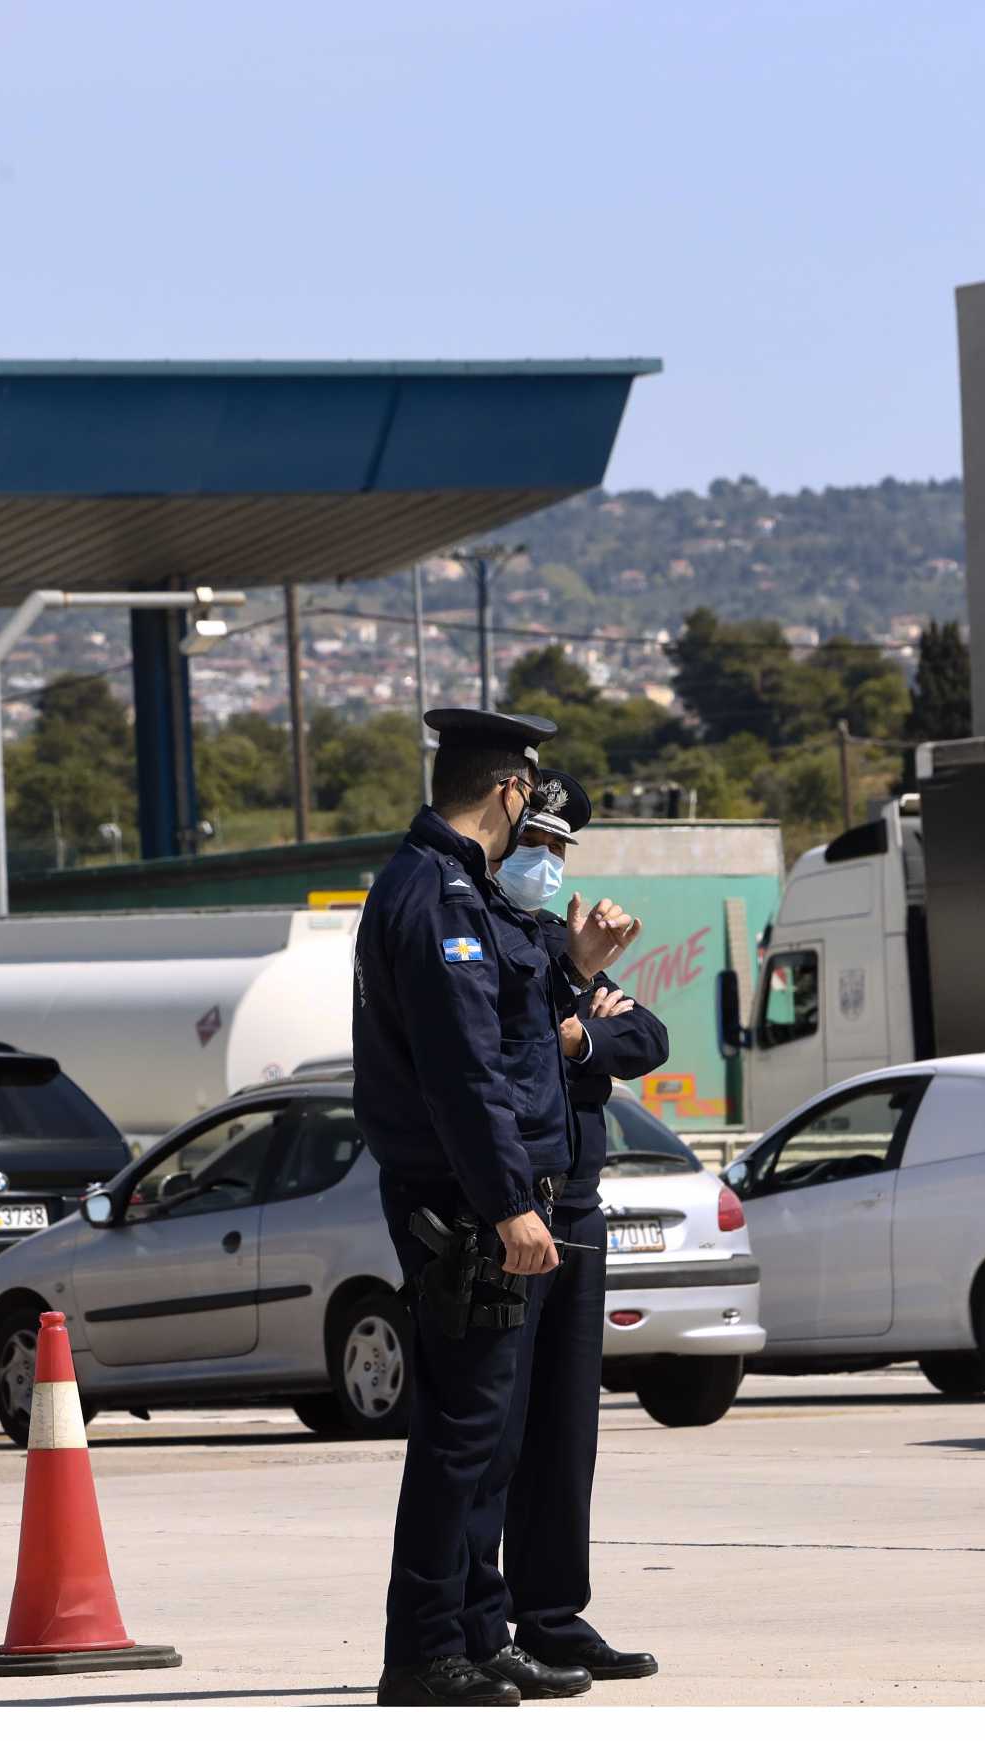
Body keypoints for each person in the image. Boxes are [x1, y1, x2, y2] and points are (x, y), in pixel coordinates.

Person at [351, 709, 637, 1707]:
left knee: (495, 1435)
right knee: (463, 1434)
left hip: (491, 1200)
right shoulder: (433, 895)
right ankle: (425, 1649)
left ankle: (479, 1630)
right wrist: (511, 1202)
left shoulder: (460, 891)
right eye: (533, 800)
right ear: (512, 789)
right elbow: (464, 1075)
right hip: (464, 1208)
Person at [500, 768, 666, 1682]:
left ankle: (554, 1614)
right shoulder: (498, 933)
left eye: (561, 849)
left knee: (568, 1428)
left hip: (577, 1209)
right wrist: (575, 995)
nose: (548, 864)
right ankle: (480, 1619)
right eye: (537, 845)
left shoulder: (556, 948)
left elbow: (647, 1036)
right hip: (514, 1209)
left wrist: (581, 1036)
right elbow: (512, 1041)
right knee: (503, 1427)